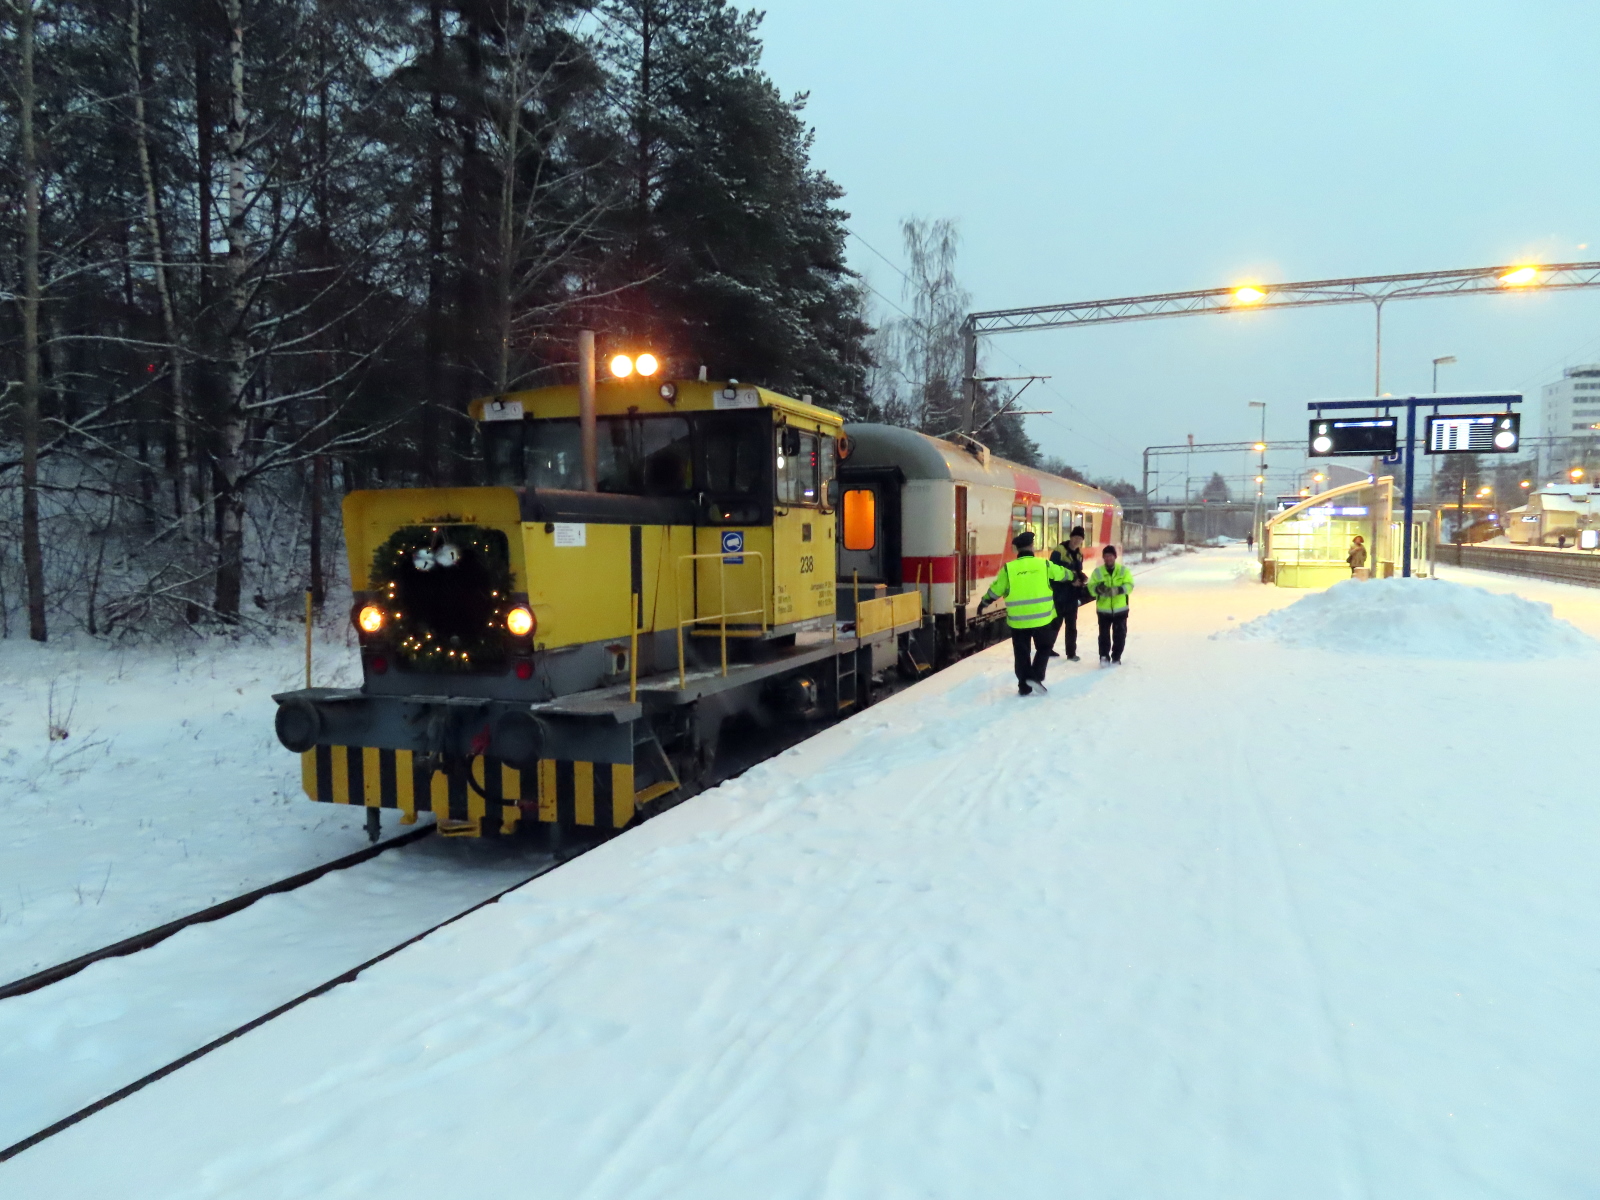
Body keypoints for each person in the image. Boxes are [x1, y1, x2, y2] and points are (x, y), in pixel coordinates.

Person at [978, 530, 1068, 695]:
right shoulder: (1044, 565)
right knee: (1044, 647)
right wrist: (1072, 575)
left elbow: (996, 590)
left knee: (1021, 653)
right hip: (1043, 618)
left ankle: (1024, 687)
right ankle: (1036, 676)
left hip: (1018, 620)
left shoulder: (1009, 568)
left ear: (1017, 550)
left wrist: (984, 602)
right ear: (1032, 547)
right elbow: (1062, 574)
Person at [1088, 544, 1134, 665]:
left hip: (1120, 609)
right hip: (1103, 610)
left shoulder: (1123, 571)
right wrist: (1099, 590)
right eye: (1106, 556)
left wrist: (1118, 590)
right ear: (1103, 558)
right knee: (1103, 635)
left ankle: (1116, 657)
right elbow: (1090, 587)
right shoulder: (1098, 572)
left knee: (1120, 635)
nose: (1108, 558)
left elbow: (1130, 585)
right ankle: (1104, 656)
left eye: (1110, 556)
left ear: (1115, 557)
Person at [1048, 525, 1088, 661]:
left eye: (1080, 538)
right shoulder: (1059, 551)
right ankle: (1047, 649)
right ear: (1070, 537)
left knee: (1071, 626)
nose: (1077, 540)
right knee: (1056, 623)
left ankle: (1071, 653)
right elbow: (1052, 573)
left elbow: (1076, 570)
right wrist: (1070, 582)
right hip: (1059, 593)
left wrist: (1082, 577)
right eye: (1075, 537)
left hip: (1072, 595)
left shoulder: (1079, 554)